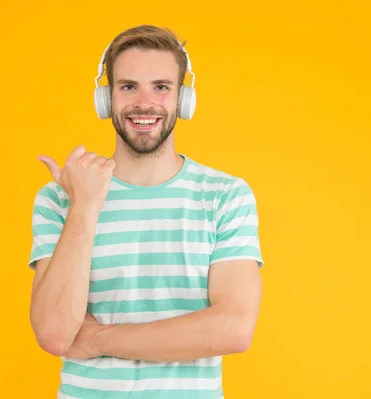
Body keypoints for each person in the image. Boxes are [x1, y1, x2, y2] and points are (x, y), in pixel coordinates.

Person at [28, 24, 265, 398]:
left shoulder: (225, 196)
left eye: (160, 86)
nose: (144, 102)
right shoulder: (61, 198)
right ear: (105, 99)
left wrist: (98, 339)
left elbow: (233, 329)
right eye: (128, 87)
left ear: (183, 99)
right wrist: (85, 207)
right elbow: (55, 333)